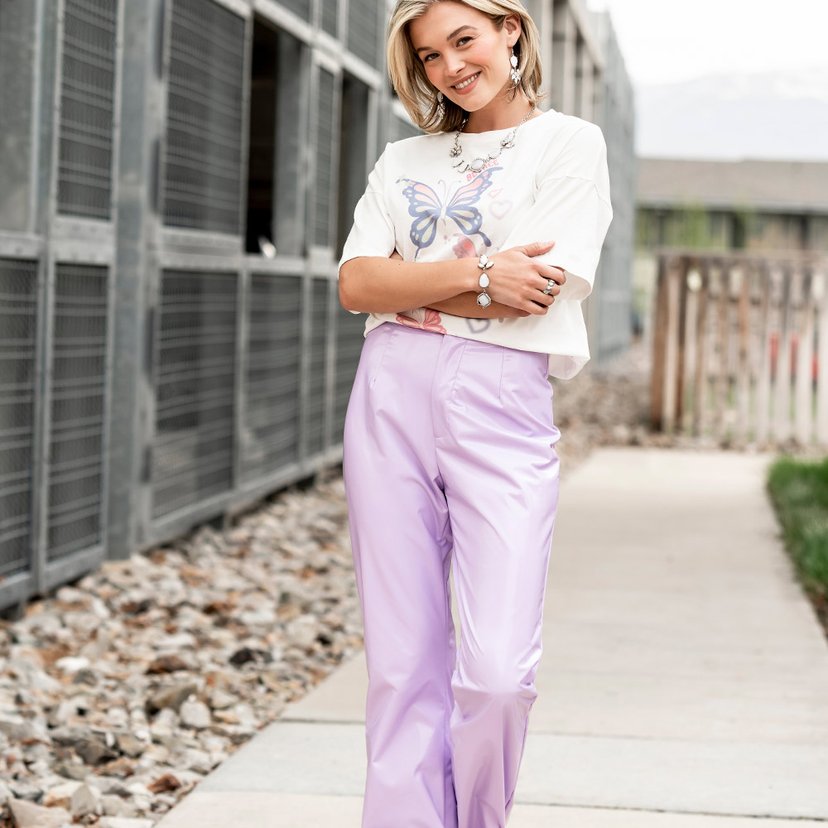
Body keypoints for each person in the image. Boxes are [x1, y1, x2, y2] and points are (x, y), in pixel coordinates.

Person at [337, 1, 613, 825]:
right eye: (428, 56)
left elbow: (533, 295)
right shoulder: (402, 157)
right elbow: (355, 285)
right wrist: (482, 271)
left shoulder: (570, 145)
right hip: (389, 395)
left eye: (465, 40)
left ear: (511, 31)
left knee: (496, 676)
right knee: (401, 664)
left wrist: (418, 280)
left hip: (502, 400)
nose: (451, 66)